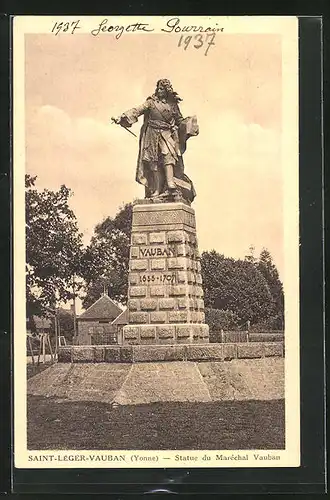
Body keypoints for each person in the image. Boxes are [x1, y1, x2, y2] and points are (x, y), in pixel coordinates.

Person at [113, 79, 198, 203]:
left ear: (167, 90)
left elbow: (179, 120)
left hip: (167, 134)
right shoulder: (151, 103)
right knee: (154, 162)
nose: (159, 91)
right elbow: (137, 110)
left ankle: (170, 185)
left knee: (168, 157)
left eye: (161, 89)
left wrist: (189, 124)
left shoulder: (172, 105)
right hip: (152, 135)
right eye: (158, 88)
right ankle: (156, 190)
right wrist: (123, 117)